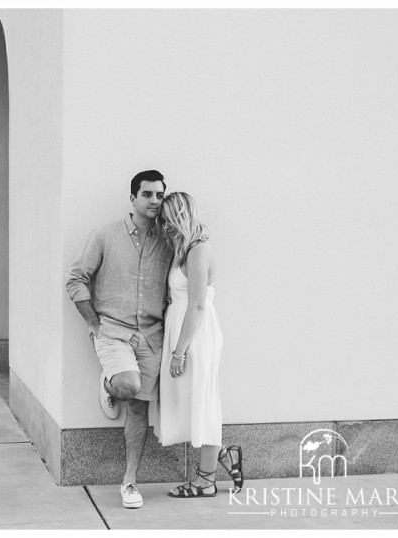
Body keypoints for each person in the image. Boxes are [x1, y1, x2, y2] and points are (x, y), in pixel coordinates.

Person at [65, 170, 173, 509]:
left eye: (159, 195)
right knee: (127, 386)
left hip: (152, 336)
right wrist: (93, 322)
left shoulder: (168, 241)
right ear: (132, 198)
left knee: (139, 409)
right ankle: (111, 381)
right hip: (112, 331)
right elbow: (75, 280)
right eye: (147, 194)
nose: (154, 201)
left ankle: (129, 483)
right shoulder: (104, 236)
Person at [151, 191, 243, 498]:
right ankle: (224, 456)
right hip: (183, 331)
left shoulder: (199, 251)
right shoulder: (184, 250)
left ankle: (206, 480)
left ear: (180, 217)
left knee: (203, 402)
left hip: (196, 335)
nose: (163, 226)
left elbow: (197, 306)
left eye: (167, 220)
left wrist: (180, 351)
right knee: (190, 401)